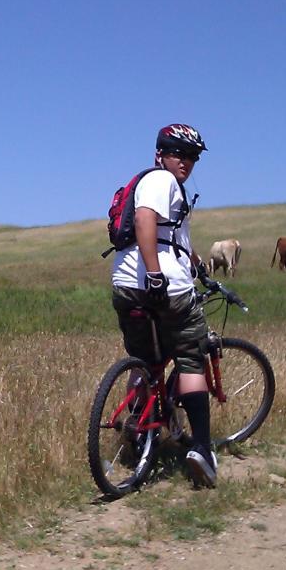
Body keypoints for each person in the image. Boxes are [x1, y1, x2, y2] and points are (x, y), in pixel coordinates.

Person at [110, 123, 217, 488]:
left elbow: (175, 240)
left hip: (125, 286)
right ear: (160, 154)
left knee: (147, 359)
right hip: (161, 286)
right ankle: (202, 450)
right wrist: (155, 274)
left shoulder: (162, 186)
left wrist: (199, 267)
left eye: (192, 156)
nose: (186, 161)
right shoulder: (161, 181)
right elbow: (144, 220)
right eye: (178, 153)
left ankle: (139, 432)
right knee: (190, 357)